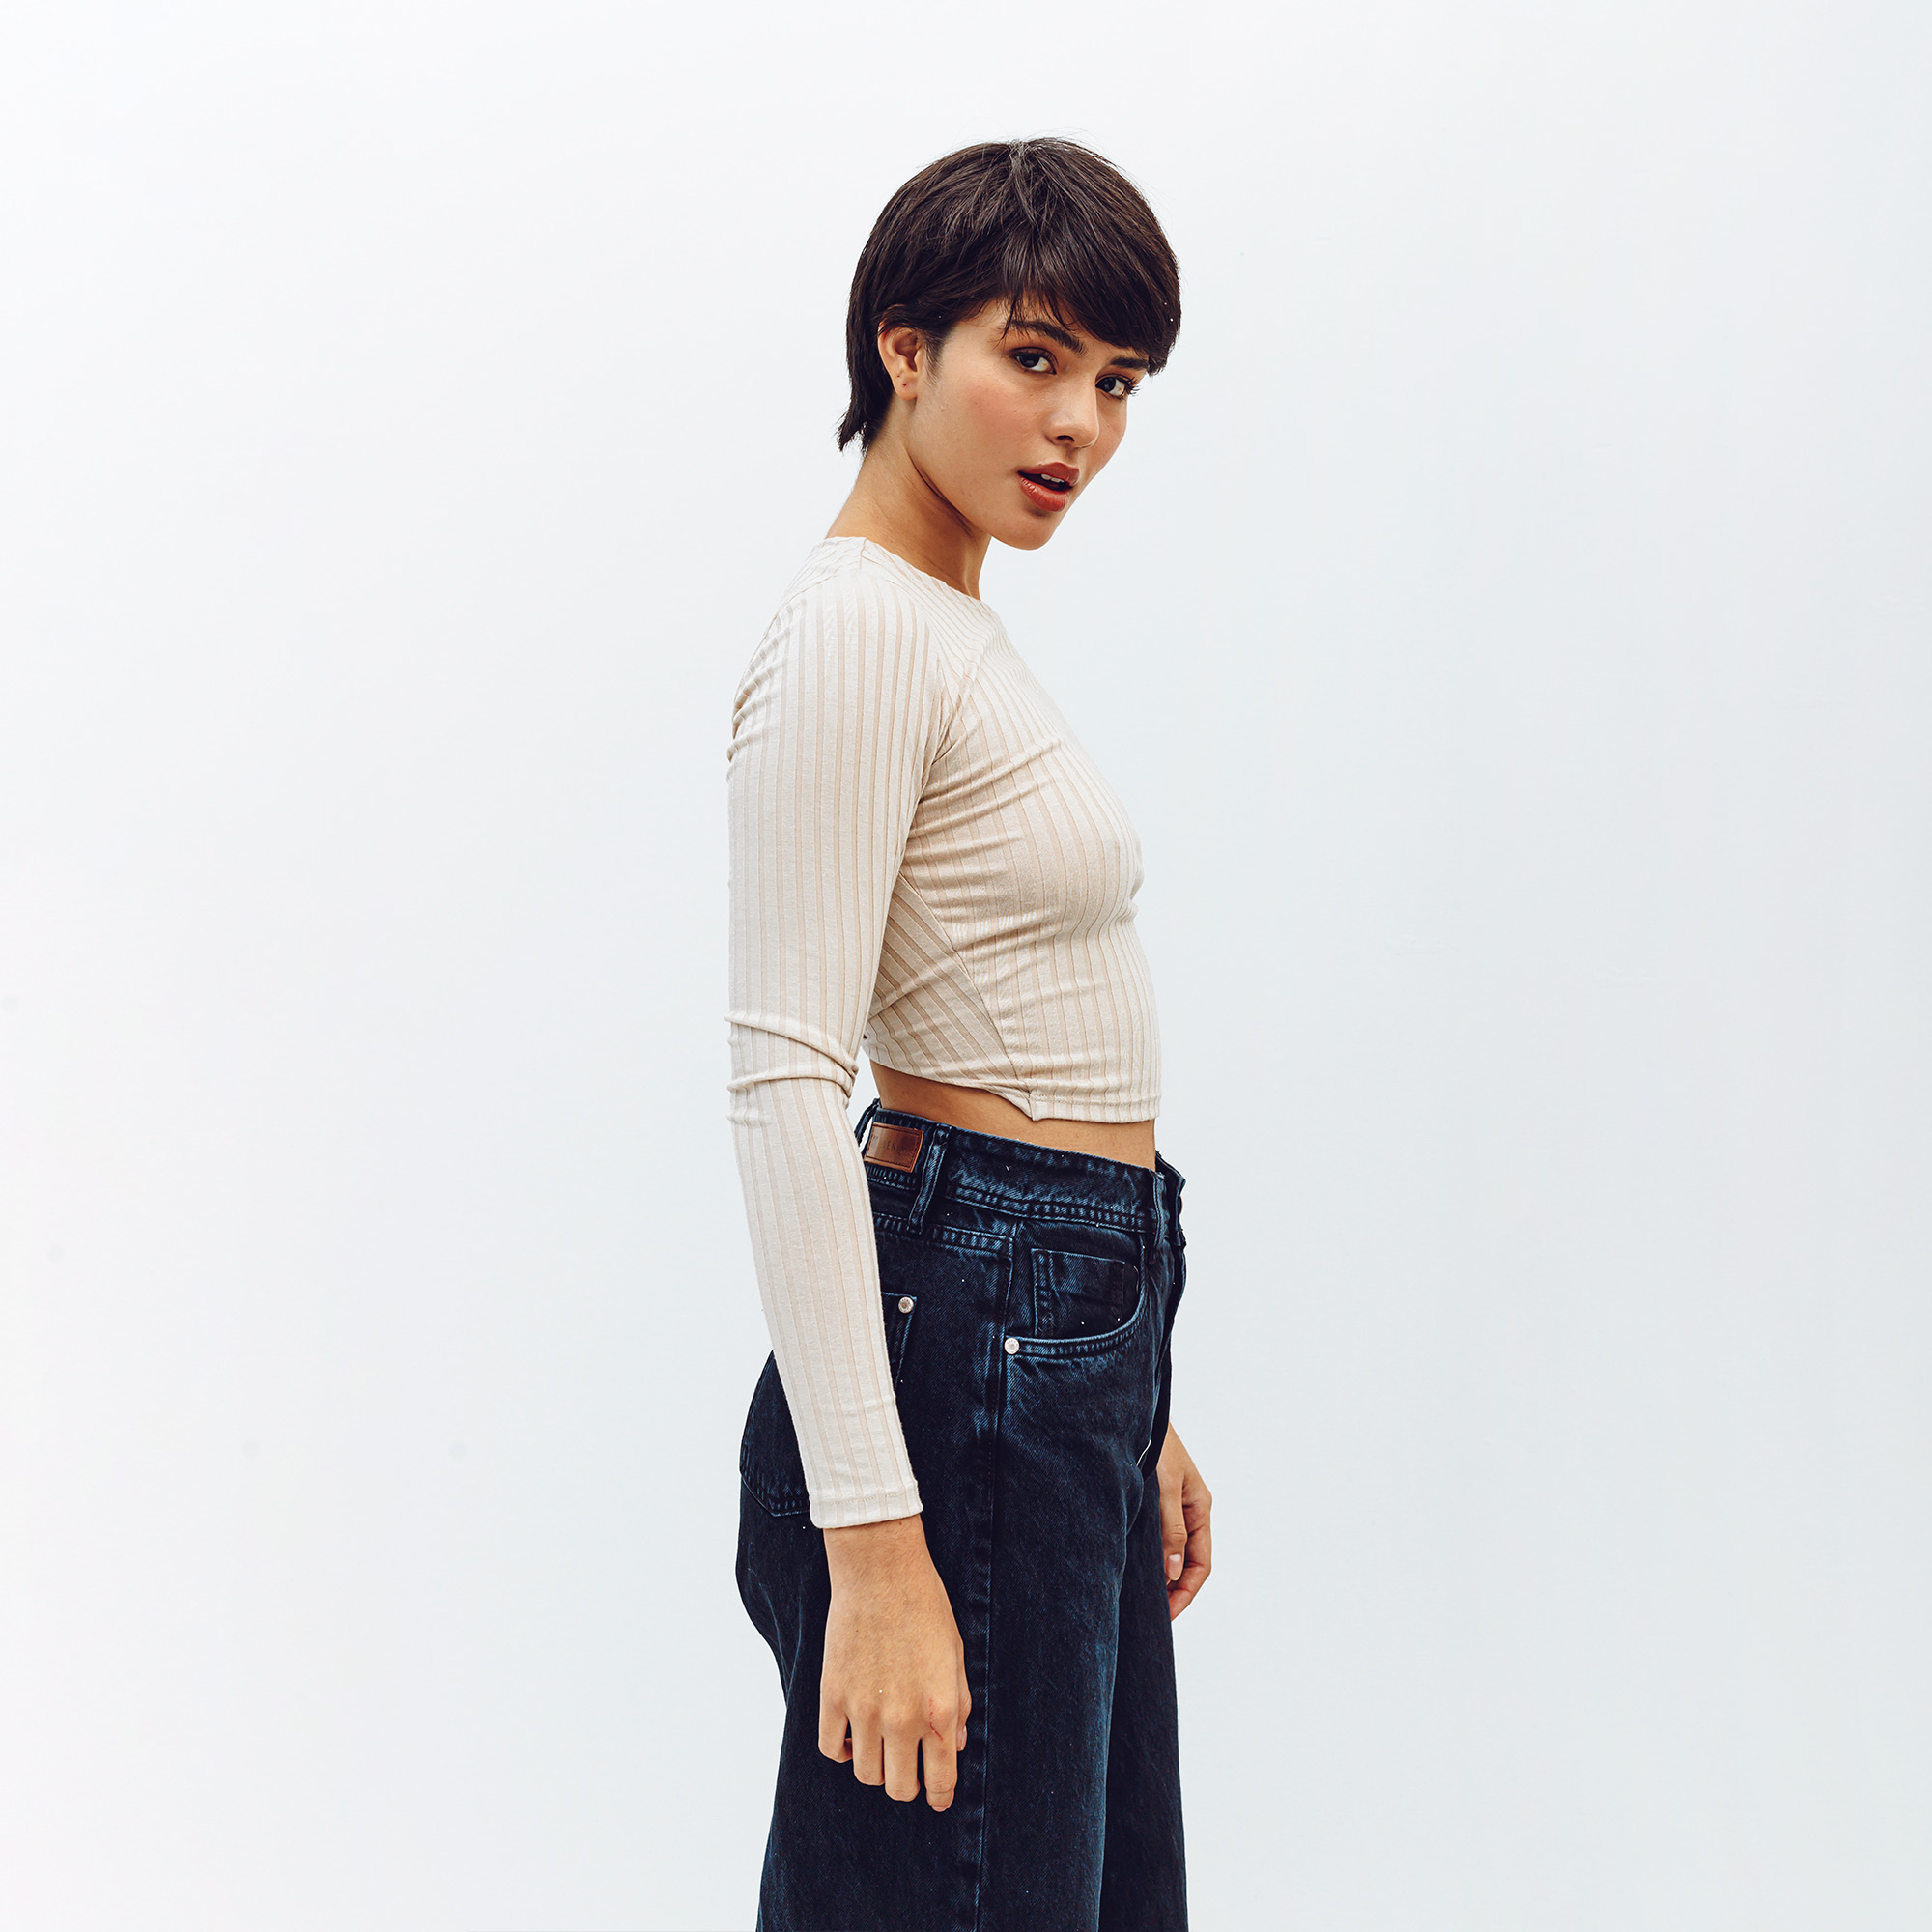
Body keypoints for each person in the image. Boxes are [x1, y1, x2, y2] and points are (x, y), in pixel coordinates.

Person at [724, 136, 1211, 1931]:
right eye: (1037, 356)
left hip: (1048, 1339)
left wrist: (1130, 1397)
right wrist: (873, 1541)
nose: (1080, 424)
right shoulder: (860, 630)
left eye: (1118, 381)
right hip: (972, 1349)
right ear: (903, 347)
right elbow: (784, 1083)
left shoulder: (943, 625)